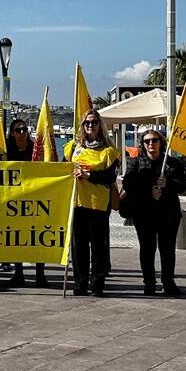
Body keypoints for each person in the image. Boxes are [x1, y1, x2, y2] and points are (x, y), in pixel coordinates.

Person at [119, 128, 186, 295]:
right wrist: (149, 191)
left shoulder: (172, 163)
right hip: (144, 213)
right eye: (147, 141)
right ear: (142, 144)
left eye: (154, 140)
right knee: (147, 249)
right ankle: (149, 282)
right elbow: (128, 184)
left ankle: (168, 281)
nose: (151, 144)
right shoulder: (135, 162)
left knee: (168, 249)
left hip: (168, 213)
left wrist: (168, 183)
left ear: (160, 142)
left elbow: (183, 185)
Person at [69, 114, 121, 296]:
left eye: (94, 122)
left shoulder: (109, 151)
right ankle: (80, 283)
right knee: (78, 246)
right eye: (87, 122)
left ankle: (97, 284)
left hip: (99, 204)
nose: (90, 125)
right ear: (82, 125)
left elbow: (110, 177)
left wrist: (88, 176)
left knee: (98, 246)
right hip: (77, 203)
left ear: (100, 125)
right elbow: (62, 170)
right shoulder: (72, 148)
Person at [3, 118, 43, 288]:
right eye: (18, 130)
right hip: (14, 201)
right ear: (12, 133)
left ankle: (40, 275)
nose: (22, 132)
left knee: (38, 238)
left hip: (35, 200)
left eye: (24, 129)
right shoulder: (6, 151)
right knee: (16, 238)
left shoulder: (36, 150)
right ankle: (18, 273)